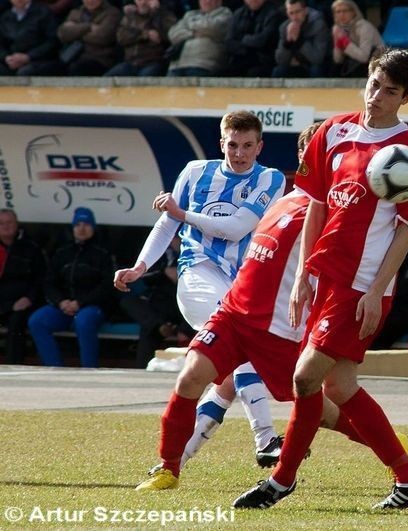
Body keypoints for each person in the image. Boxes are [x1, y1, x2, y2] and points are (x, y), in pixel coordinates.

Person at [133, 122, 394, 491]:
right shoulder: (286, 198)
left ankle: (388, 447)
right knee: (193, 374)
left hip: (280, 327)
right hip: (234, 310)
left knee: (319, 408)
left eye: (326, 156)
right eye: (310, 155)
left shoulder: (337, 212)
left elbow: (244, 231)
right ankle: (170, 467)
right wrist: (143, 264)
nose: (315, 163)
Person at [234, 49, 408, 511]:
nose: (376, 95)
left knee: (305, 378)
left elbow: (405, 232)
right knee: (339, 388)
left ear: (405, 98)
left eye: (390, 91)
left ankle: (281, 480)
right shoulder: (334, 130)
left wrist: (374, 290)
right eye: (374, 83)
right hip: (326, 280)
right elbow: (315, 205)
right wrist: (305, 272)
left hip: (362, 287)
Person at [114, 110, 287, 468]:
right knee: (239, 351)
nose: (239, 153)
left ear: (259, 147)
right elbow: (166, 225)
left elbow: (238, 228)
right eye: (233, 145)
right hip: (198, 276)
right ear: (222, 143)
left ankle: (175, 460)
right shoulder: (195, 173)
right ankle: (266, 437)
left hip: (242, 282)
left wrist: (183, 213)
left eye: (247, 146)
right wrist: (140, 266)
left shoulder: (269, 179)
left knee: (230, 376)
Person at [28, 207, 115, 368]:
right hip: (64, 306)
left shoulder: (103, 253)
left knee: (83, 321)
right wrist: (61, 302)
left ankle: (89, 369)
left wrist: (80, 302)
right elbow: (49, 282)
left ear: (93, 227)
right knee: (37, 320)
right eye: (78, 224)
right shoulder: (62, 252)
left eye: (86, 224)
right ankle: (54, 367)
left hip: (92, 306)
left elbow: (106, 286)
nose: (82, 228)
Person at [119, 236, 193, 368]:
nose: (174, 241)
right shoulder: (159, 252)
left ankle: (163, 327)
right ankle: (160, 327)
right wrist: (163, 272)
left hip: (185, 306)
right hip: (160, 305)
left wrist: (182, 275)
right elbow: (143, 277)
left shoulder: (196, 253)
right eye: (172, 237)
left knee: (152, 326)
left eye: (178, 237)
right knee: (132, 306)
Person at [0, 209, 47, 364]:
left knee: (17, 321)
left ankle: (13, 367)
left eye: (9, 222)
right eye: (1, 223)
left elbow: (40, 279)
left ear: (17, 224)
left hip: (23, 303)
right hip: (2, 302)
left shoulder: (31, 248)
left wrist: (29, 298)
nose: (6, 227)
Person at [105, 0, 177, 77]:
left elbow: (169, 35)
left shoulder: (165, 15)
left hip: (154, 62)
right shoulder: (130, 17)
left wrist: (156, 12)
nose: (143, 2)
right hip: (130, 63)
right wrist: (145, 34)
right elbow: (121, 37)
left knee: (143, 82)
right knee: (105, 80)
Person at [166, 0, 233, 77]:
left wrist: (188, 25)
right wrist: (193, 33)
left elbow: (212, 27)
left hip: (203, 64)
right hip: (177, 64)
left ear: (219, 1)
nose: (206, 1)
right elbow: (173, 34)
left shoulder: (225, 14)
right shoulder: (190, 14)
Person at [56, 0, 122, 76]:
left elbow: (103, 37)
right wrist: (88, 27)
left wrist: (74, 31)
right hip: (71, 56)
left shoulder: (112, 13)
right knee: (49, 69)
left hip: (99, 60)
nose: (90, 1)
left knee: (78, 68)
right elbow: (62, 33)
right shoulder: (76, 12)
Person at [223, 0, 284, 77]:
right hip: (239, 60)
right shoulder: (238, 14)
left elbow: (263, 40)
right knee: (220, 74)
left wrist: (243, 39)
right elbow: (228, 42)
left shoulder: (274, 14)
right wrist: (247, 49)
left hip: (262, 62)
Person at [0, 0, 61, 76]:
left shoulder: (43, 12)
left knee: (25, 72)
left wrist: (28, 57)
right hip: (11, 61)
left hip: (39, 60)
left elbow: (53, 42)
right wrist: (7, 58)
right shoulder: (5, 17)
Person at [272, 0, 330, 78]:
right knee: (278, 71)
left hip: (313, 64)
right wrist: (288, 41)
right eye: (291, 13)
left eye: (297, 12)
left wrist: (299, 40)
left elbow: (318, 59)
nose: (295, 17)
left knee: (316, 70)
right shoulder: (284, 27)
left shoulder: (319, 26)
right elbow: (280, 61)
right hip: (296, 65)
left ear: (305, 11)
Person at [329, 0, 384, 78]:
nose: (341, 14)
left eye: (345, 11)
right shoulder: (338, 29)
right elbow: (338, 60)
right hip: (355, 62)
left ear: (354, 12)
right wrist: (337, 41)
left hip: (375, 62)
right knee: (333, 69)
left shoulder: (365, 27)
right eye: (338, 12)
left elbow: (364, 57)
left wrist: (345, 41)